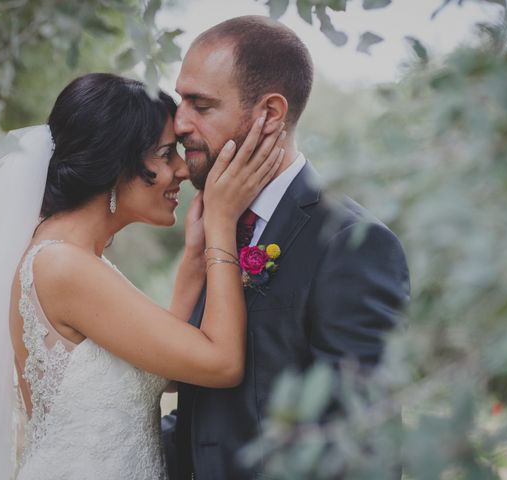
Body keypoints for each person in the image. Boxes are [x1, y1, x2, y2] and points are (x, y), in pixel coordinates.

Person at [0, 72, 286, 479]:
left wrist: (192, 257)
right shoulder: (63, 266)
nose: (183, 171)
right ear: (118, 162)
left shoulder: (75, 259)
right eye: (167, 153)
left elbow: (167, 367)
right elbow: (220, 363)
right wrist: (222, 223)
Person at [164, 16, 411, 480]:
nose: (179, 123)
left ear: (270, 114)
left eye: (200, 104)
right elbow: (208, 413)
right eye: (181, 101)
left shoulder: (351, 243)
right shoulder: (211, 227)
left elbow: (363, 448)